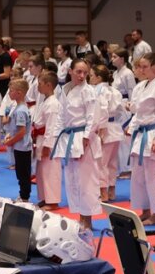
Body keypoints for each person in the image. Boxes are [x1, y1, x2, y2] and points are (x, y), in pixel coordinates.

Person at [53, 59, 102, 231]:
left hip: (82, 137)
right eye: (78, 72)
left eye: (85, 72)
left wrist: (86, 137)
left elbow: (93, 117)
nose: (82, 76)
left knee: (86, 180)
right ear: (70, 71)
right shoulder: (64, 90)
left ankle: (87, 220)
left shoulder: (89, 91)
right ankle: (80, 217)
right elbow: (61, 115)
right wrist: (55, 137)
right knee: (73, 179)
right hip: (69, 136)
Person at [127, 54, 155, 225]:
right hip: (139, 134)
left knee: (152, 176)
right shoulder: (139, 87)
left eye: (145, 66)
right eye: (140, 66)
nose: (141, 70)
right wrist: (131, 128)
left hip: (152, 134)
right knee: (138, 176)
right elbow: (137, 113)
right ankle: (145, 210)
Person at [92, 64, 125, 202]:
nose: (90, 78)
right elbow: (120, 110)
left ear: (99, 78)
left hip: (104, 129)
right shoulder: (114, 90)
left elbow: (103, 109)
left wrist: (101, 128)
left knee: (101, 163)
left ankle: (103, 193)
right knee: (112, 162)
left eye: (92, 75)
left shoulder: (99, 90)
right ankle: (111, 190)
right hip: (115, 128)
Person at [33, 72, 62, 210]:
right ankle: (45, 198)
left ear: (48, 85)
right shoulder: (46, 100)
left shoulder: (53, 104)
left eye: (40, 83)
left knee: (51, 171)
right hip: (41, 138)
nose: (38, 86)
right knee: (41, 171)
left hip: (49, 140)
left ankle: (53, 201)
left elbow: (51, 127)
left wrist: (47, 145)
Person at [1, 79, 33, 203]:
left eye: (12, 91)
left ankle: (24, 197)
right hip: (20, 145)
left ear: (19, 93)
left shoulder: (20, 110)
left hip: (22, 146)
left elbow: (21, 132)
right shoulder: (19, 108)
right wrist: (10, 136)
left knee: (23, 173)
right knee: (21, 172)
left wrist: (10, 142)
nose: (9, 93)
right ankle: (23, 194)